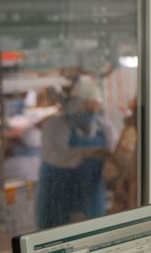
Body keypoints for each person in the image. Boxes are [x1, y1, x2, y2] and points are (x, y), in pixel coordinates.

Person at [37, 75, 118, 228]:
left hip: (91, 197)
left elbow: (114, 156)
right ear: (76, 105)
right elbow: (53, 156)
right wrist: (85, 153)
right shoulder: (55, 126)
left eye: (95, 107)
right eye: (87, 107)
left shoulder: (104, 127)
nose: (91, 112)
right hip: (59, 197)